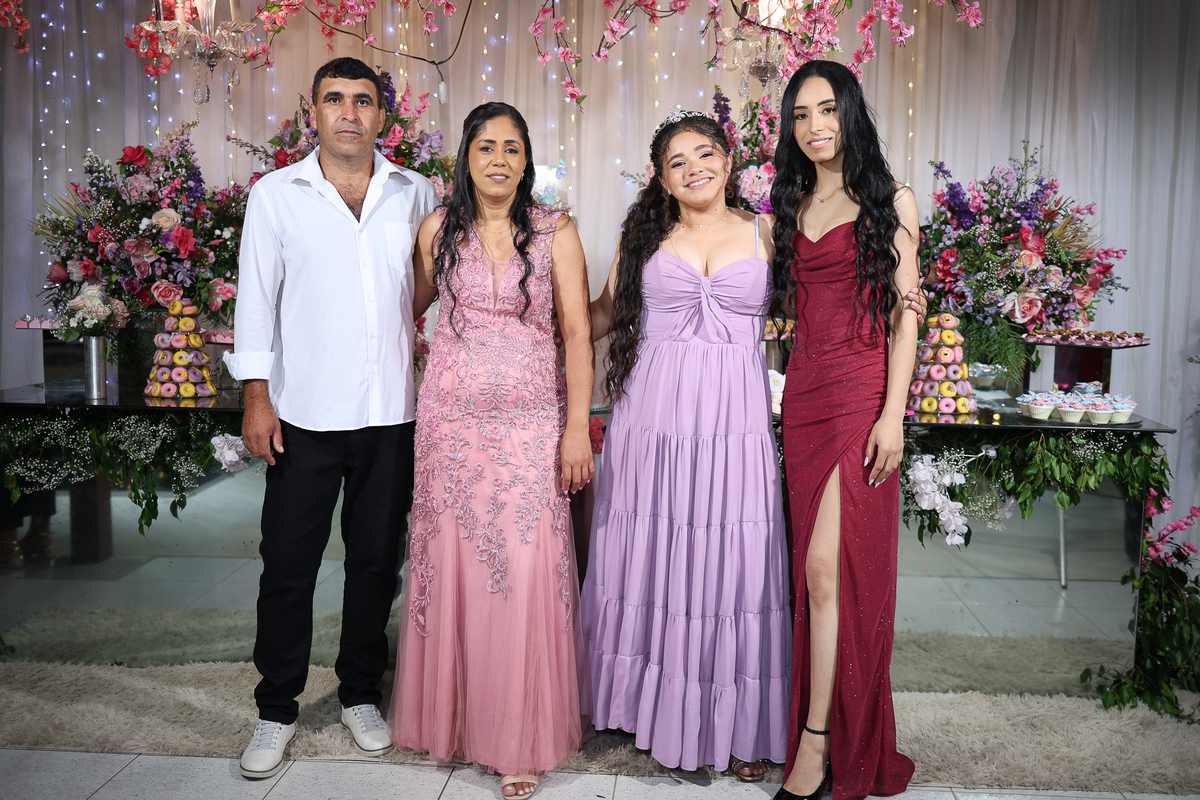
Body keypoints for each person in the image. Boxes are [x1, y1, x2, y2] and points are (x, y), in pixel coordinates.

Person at [225, 57, 438, 780]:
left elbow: (422, 289)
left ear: (382, 116)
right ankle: (276, 707)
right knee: (289, 564)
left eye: (364, 100)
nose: (350, 112)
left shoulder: (416, 191)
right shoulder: (275, 195)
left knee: (377, 563)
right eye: (335, 99)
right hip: (304, 415)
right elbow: (255, 299)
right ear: (312, 112)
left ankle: (358, 693)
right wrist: (257, 396)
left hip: (390, 415)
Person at [389, 102, 594, 800]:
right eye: (486, 146)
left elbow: (577, 334)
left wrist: (575, 429)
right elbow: (407, 309)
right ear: (467, 158)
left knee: (524, 570)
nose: (499, 158)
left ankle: (519, 736)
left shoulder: (556, 231)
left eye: (512, 147)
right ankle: (456, 721)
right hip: (450, 428)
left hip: (532, 427)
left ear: (526, 159)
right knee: (456, 566)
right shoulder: (436, 229)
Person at [581, 111, 791, 780]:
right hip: (652, 422)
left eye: (705, 154)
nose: (694, 168)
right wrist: (525, 313)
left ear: (728, 161)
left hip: (734, 425)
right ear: (662, 179)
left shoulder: (767, 231)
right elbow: (600, 315)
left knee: (736, 560)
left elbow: (813, 314)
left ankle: (739, 721)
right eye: (678, 161)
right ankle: (634, 705)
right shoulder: (643, 235)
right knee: (649, 550)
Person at [769, 60, 921, 800]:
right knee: (812, 572)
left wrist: (893, 413)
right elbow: (786, 315)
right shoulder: (790, 203)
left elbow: (906, 315)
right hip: (803, 400)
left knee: (830, 571)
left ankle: (818, 743)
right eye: (800, 114)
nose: (814, 126)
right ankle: (823, 728)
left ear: (850, 112)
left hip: (862, 395)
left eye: (826, 109)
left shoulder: (892, 199)